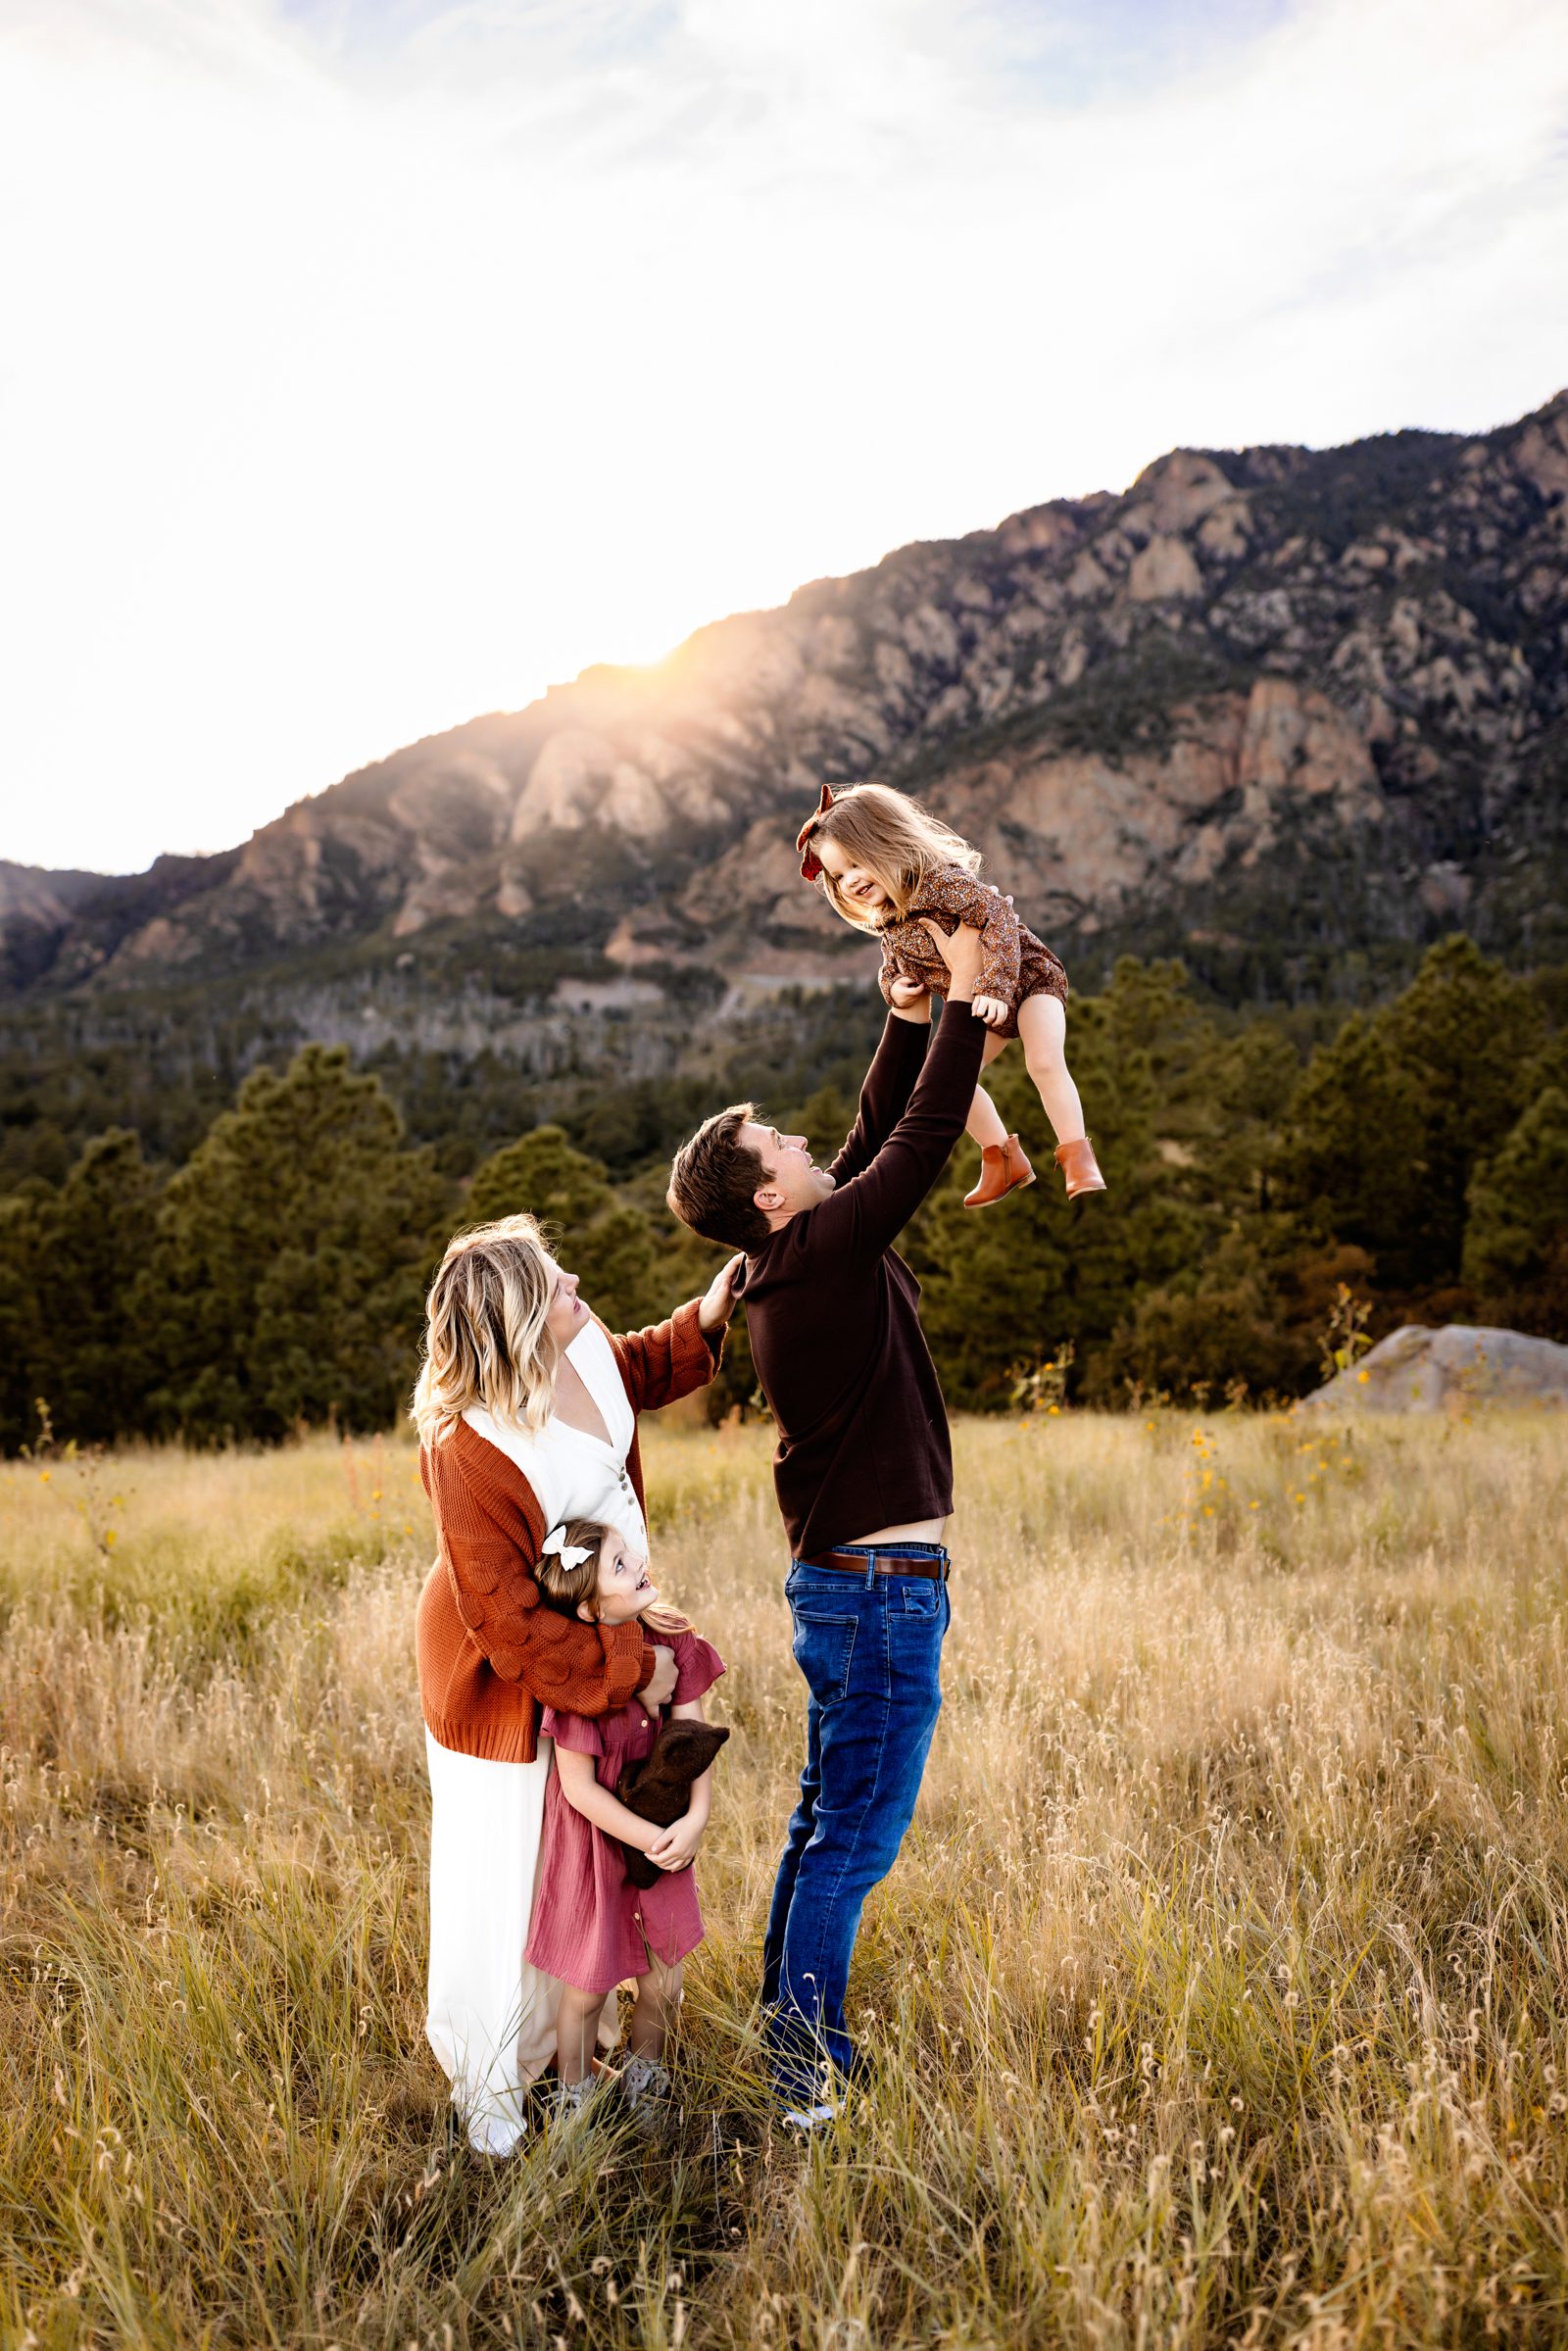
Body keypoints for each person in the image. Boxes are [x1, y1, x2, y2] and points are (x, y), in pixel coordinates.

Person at [665, 914, 988, 2125]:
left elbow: (865, 1133)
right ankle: (804, 2073)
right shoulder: (821, 1255)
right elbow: (913, 1139)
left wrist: (903, 1014)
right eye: (778, 1141)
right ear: (765, 1191)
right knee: (849, 1837)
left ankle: (785, 2033)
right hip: (874, 1593)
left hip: (854, 1586)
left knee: (823, 1823)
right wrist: (963, 999)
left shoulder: (799, 1253)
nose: (804, 1140)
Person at [411, 1216, 738, 2154]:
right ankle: (501, 2090)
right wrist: (635, 1667)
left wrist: (704, 1319)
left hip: (598, 1638)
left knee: (589, 1872)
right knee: (513, 1880)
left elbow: (627, 1370)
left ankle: (582, 2058)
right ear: (514, 1327)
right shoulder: (466, 1446)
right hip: (502, 1687)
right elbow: (507, 1624)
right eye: (555, 1284)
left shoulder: (580, 1337)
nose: (577, 1285)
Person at [795, 778, 1106, 1203]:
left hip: (1028, 980)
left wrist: (996, 986)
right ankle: (1003, 1159)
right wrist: (895, 989)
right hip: (983, 1003)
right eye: (838, 874)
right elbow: (893, 965)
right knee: (948, 1082)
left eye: (856, 864)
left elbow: (998, 913)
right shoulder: (890, 917)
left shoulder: (939, 884)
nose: (849, 880)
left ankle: (1077, 1154)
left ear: (887, 844)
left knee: (1045, 1061)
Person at [524, 1517, 724, 2131]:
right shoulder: (581, 1679)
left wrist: (695, 1818)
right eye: (617, 1564)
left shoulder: (674, 1637)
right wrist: (648, 1841)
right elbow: (579, 1789)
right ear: (588, 1610)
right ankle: (574, 2100)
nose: (637, 1562)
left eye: (627, 1552)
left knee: (663, 1982)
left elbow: (692, 1741)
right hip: (597, 1846)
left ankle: (645, 2085)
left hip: (667, 1830)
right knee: (585, 1992)